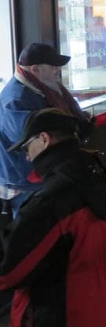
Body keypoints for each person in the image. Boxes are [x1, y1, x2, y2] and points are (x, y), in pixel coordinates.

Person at [0, 108, 106, 327]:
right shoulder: (101, 175)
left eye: (27, 147)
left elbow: (7, 271)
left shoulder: (51, 201)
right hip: (98, 323)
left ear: (44, 139)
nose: (27, 156)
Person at [0, 43, 93, 218]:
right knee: (31, 233)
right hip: (26, 181)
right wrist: (69, 127)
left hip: (44, 175)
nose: (58, 70)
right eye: (53, 67)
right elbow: (31, 142)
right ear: (35, 69)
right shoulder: (15, 99)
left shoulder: (40, 88)